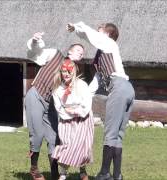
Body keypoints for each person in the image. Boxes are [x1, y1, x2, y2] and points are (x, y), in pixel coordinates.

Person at [67, 22, 135, 180]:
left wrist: (79, 25)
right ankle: (117, 175)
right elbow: (94, 86)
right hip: (127, 89)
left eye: (100, 31)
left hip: (119, 87)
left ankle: (104, 173)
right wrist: (81, 103)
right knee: (117, 135)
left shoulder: (109, 44)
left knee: (110, 134)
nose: (97, 33)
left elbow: (91, 36)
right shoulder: (101, 57)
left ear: (107, 34)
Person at [25, 32, 85, 180]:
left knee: (54, 138)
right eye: (78, 50)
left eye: (82, 54)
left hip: (51, 105)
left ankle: (54, 173)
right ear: (69, 51)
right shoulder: (55, 54)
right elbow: (35, 54)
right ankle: (34, 169)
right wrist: (34, 41)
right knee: (37, 134)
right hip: (36, 95)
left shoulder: (73, 73)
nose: (81, 54)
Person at [51, 59, 94, 180]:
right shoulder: (57, 89)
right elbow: (59, 108)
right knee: (67, 146)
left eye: (69, 71)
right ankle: (63, 173)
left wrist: (76, 111)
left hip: (83, 119)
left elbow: (86, 105)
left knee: (81, 146)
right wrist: (68, 114)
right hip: (66, 121)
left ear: (74, 71)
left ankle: (82, 171)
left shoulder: (82, 85)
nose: (66, 74)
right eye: (64, 71)